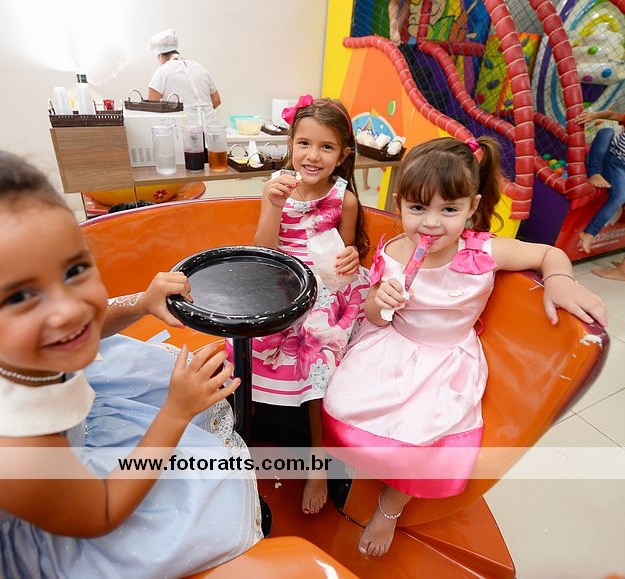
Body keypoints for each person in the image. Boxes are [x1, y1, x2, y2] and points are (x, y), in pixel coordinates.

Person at [0, 149, 262, 577]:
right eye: (19, 296)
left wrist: (140, 303)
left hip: (72, 457)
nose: (70, 310)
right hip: (73, 529)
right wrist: (174, 413)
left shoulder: (8, 346)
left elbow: (87, 322)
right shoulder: (0, 448)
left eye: (73, 270)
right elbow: (101, 511)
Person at [322, 136, 608, 557]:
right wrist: (380, 301)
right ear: (399, 204)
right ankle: (362, 468)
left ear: (471, 208)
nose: (431, 224)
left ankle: (390, 506)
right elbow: (374, 316)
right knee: (341, 404)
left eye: (449, 210)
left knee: (426, 440)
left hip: (447, 362)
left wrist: (561, 281)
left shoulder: (484, 252)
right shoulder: (395, 250)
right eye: (418, 208)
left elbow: (549, 255)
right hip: (392, 347)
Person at [243, 95, 371, 515]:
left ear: (343, 155)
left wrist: (350, 256)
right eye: (304, 144)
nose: (313, 156)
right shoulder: (276, 189)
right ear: (291, 145)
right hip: (280, 278)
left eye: (326, 147)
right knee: (243, 343)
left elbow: (345, 255)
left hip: (325, 288)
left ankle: (317, 461)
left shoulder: (344, 200)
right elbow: (264, 250)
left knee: (317, 355)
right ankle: (242, 435)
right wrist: (273, 206)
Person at [147, 29, 221, 130]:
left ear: (160, 56)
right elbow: (216, 100)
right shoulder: (199, 68)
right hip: (213, 128)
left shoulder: (162, 71)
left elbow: (151, 106)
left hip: (186, 131)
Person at [576, 109, 625, 253]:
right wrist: (593, 115)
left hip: (619, 169)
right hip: (606, 155)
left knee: (619, 197)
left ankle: (589, 233)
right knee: (606, 132)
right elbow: (611, 114)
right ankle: (594, 173)